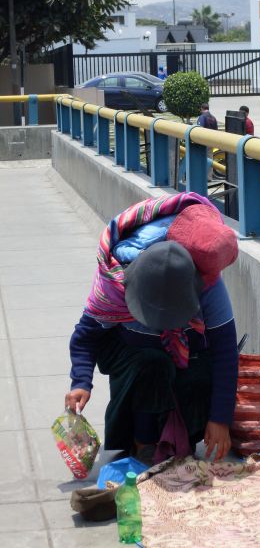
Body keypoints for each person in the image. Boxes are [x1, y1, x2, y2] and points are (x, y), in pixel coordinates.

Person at [65, 193, 239, 466]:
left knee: (200, 374)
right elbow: (85, 338)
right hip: (132, 351)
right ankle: (142, 441)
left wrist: (220, 419)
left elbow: (226, 351)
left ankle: (181, 438)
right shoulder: (115, 284)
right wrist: (81, 382)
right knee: (153, 362)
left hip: (185, 349)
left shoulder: (208, 284)